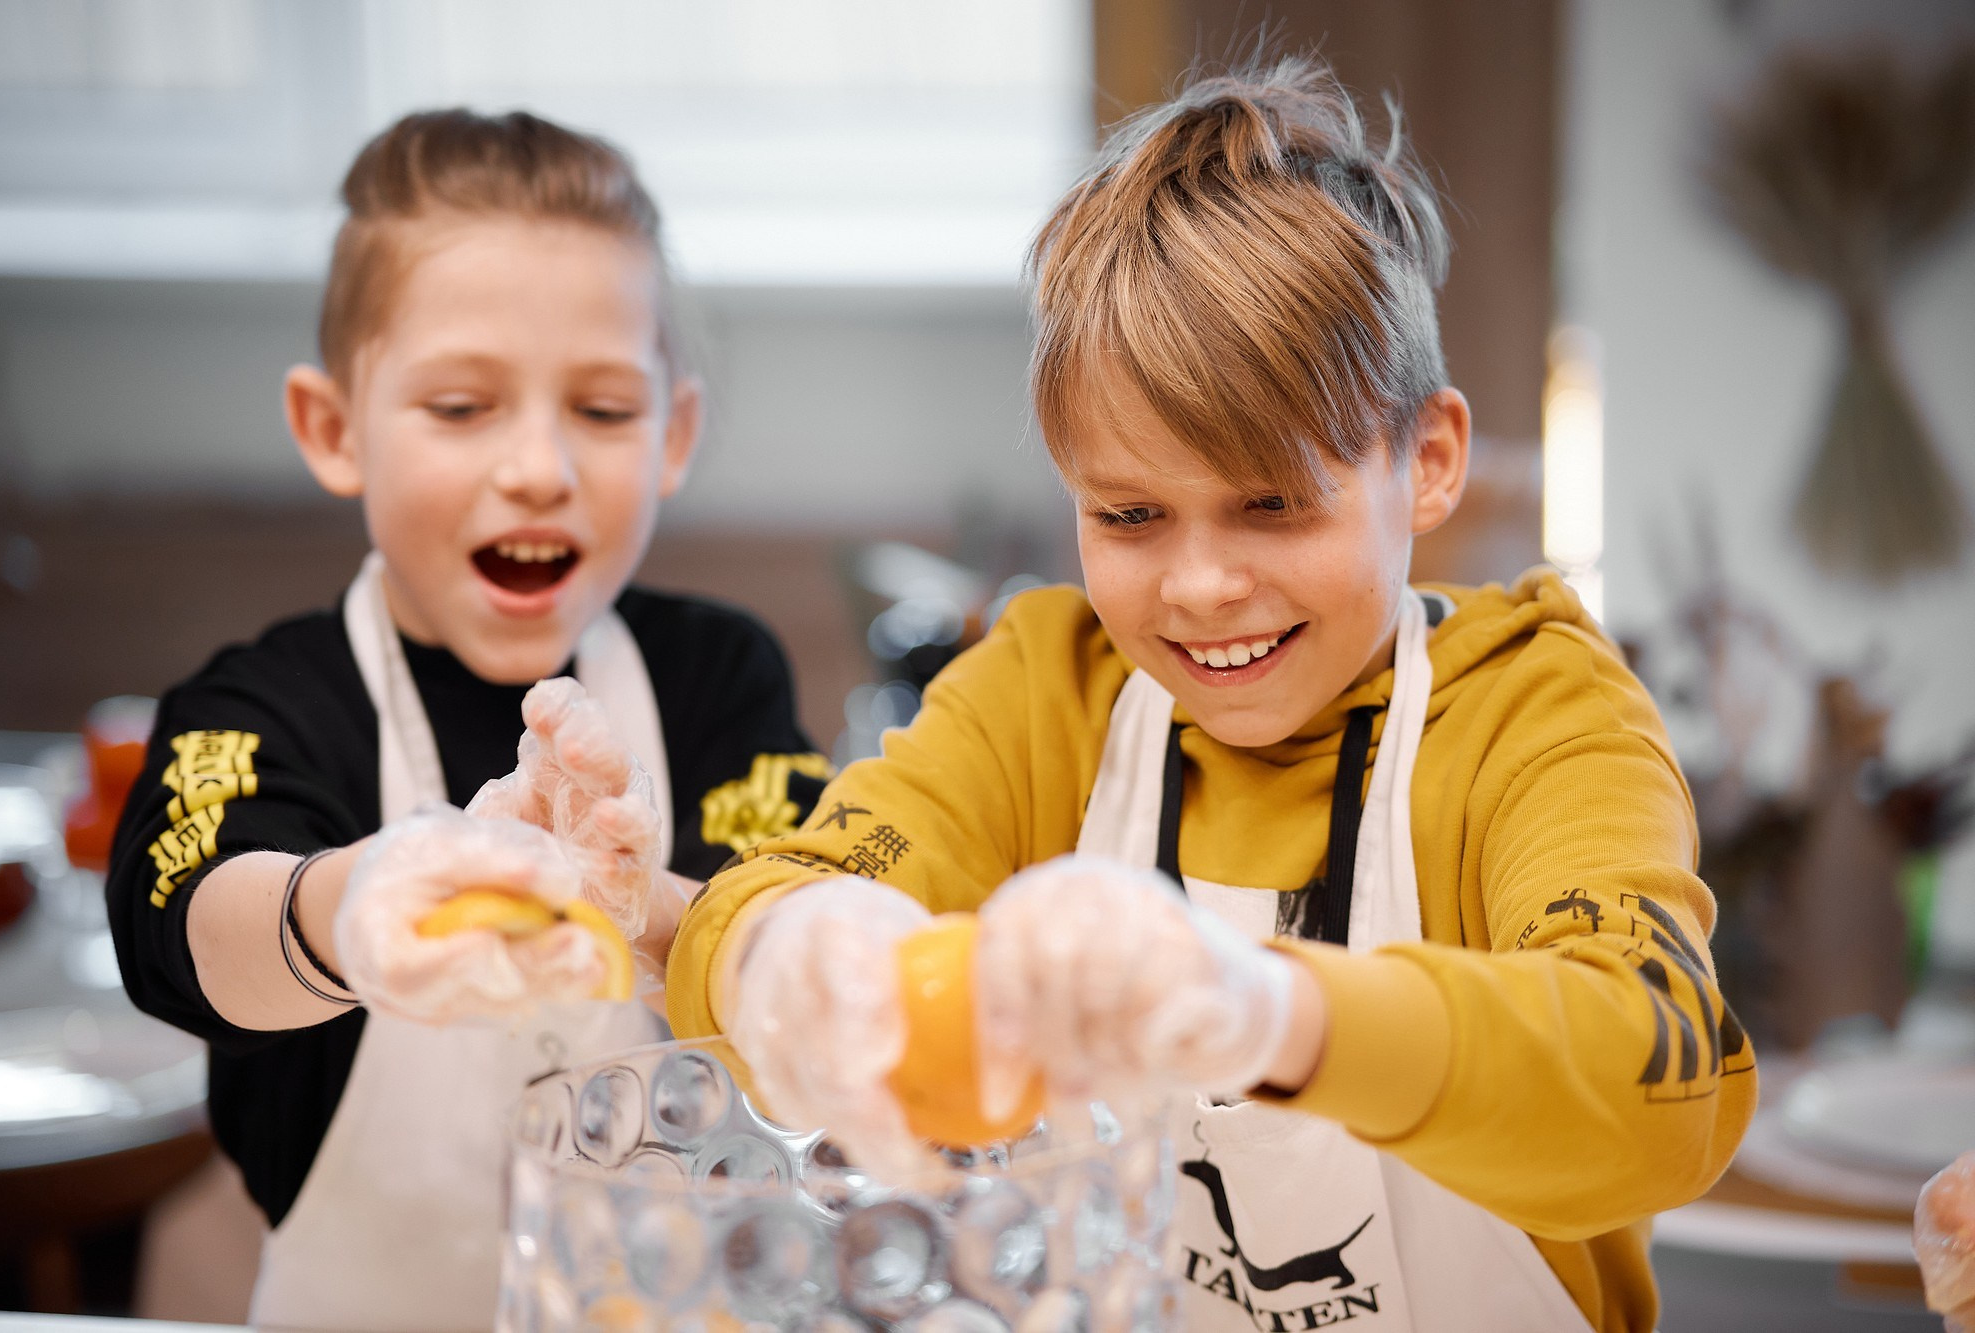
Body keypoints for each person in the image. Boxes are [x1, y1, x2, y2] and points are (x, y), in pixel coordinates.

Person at [665, 60, 1755, 1333]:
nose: (1198, 585)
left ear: (1430, 460)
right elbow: (773, 891)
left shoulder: (1535, 715)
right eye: (1127, 515)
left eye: (1272, 504)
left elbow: (1656, 1088)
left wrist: (1266, 1010)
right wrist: (790, 945)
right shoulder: (1045, 691)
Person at [106, 109, 830, 1331]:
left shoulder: (717, 675)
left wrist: (637, 902)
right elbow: (192, 931)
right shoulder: (264, 702)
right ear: (333, 428)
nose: (539, 465)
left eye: (601, 411)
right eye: (460, 407)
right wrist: (360, 908)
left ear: (674, 436)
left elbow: (794, 950)